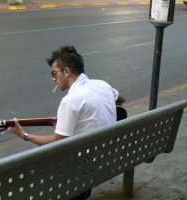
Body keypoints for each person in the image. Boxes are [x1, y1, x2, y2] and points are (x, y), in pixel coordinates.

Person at [8, 45, 125, 199]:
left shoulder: (70, 101)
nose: (53, 78)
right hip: (112, 157)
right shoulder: (102, 85)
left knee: (34, 168)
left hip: (86, 166)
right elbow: (121, 100)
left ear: (67, 71)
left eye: (54, 73)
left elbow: (56, 145)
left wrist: (24, 135)